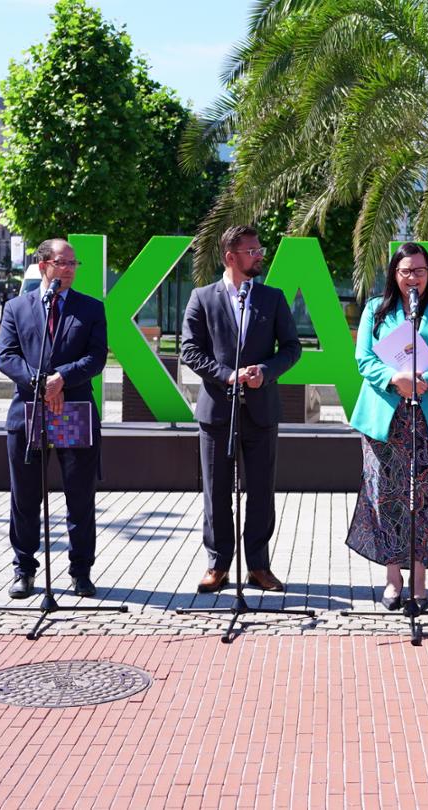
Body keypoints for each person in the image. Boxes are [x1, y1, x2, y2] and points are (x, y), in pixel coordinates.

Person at [345, 242, 428, 612]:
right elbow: (364, 358)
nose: (412, 278)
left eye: (419, 270)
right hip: (387, 415)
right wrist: (394, 378)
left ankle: (419, 579)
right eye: (405, 272)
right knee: (388, 495)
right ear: (394, 275)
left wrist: (427, 380)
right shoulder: (375, 309)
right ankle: (392, 578)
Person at [180, 225, 302, 593]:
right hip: (217, 411)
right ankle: (217, 565)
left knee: (262, 491)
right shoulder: (202, 298)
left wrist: (263, 372)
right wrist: (227, 376)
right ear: (231, 257)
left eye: (259, 249)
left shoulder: (272, 297)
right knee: (216, 491)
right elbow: (189, 350)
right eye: (251, 250)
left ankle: (259, 566)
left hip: (262, 410)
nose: (259, 254)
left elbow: (292, 348)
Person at [0, 238, 108, 600]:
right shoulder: (16, 307)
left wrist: (61, 379)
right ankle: (24, 570)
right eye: (64, 263)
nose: (71, 269)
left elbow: (96, 358)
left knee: (79, 496)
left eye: (75, 264)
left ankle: (81, 571)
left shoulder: (90, 309)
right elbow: (6, 356)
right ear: (44, 265)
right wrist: (40, 383)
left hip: (73, 409)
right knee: (25, 497)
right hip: (30, 411)